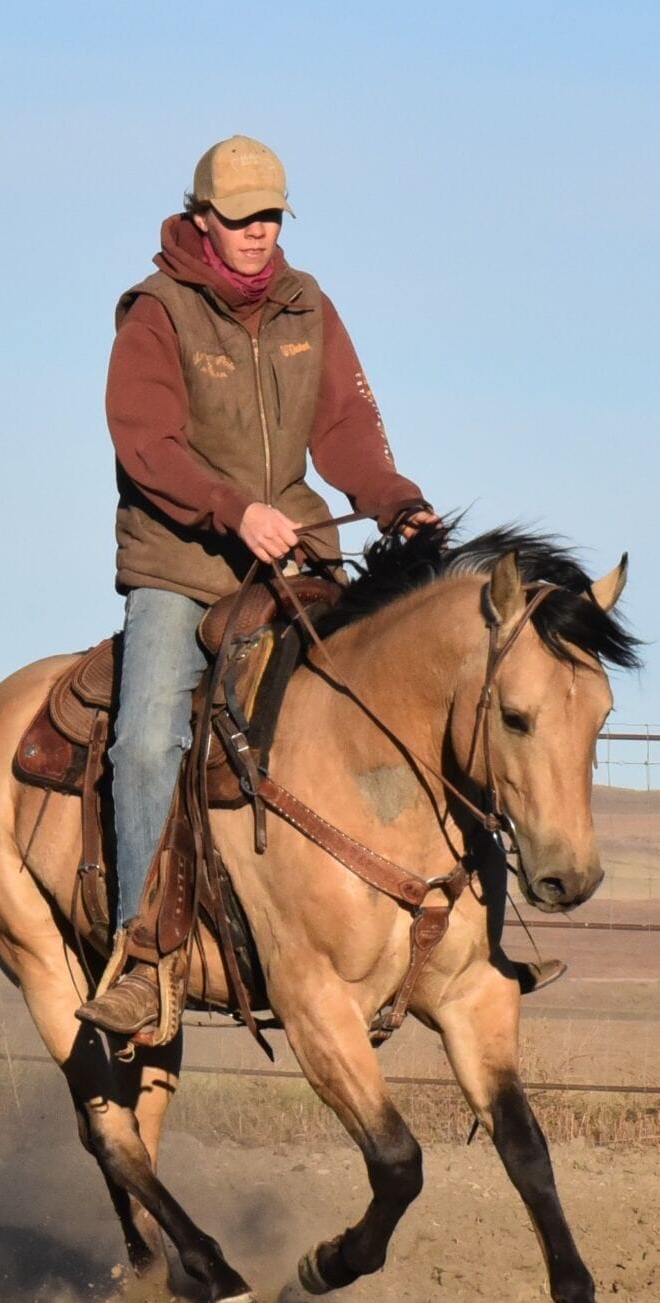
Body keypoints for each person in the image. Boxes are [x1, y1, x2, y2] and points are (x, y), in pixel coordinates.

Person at [76, 135, 441, 1042]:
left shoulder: (306, 306)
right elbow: (147, 446)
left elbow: (348, 426)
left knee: (377, 699)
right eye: (239, 217)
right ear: (202, 217)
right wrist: (233, 510)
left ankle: (415, 926)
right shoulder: (155, 313)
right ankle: (143, 952)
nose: (256, 232)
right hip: (182, 565)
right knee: (152, 731)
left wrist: (395, 502)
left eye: (270, 215)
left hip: (294, 556)